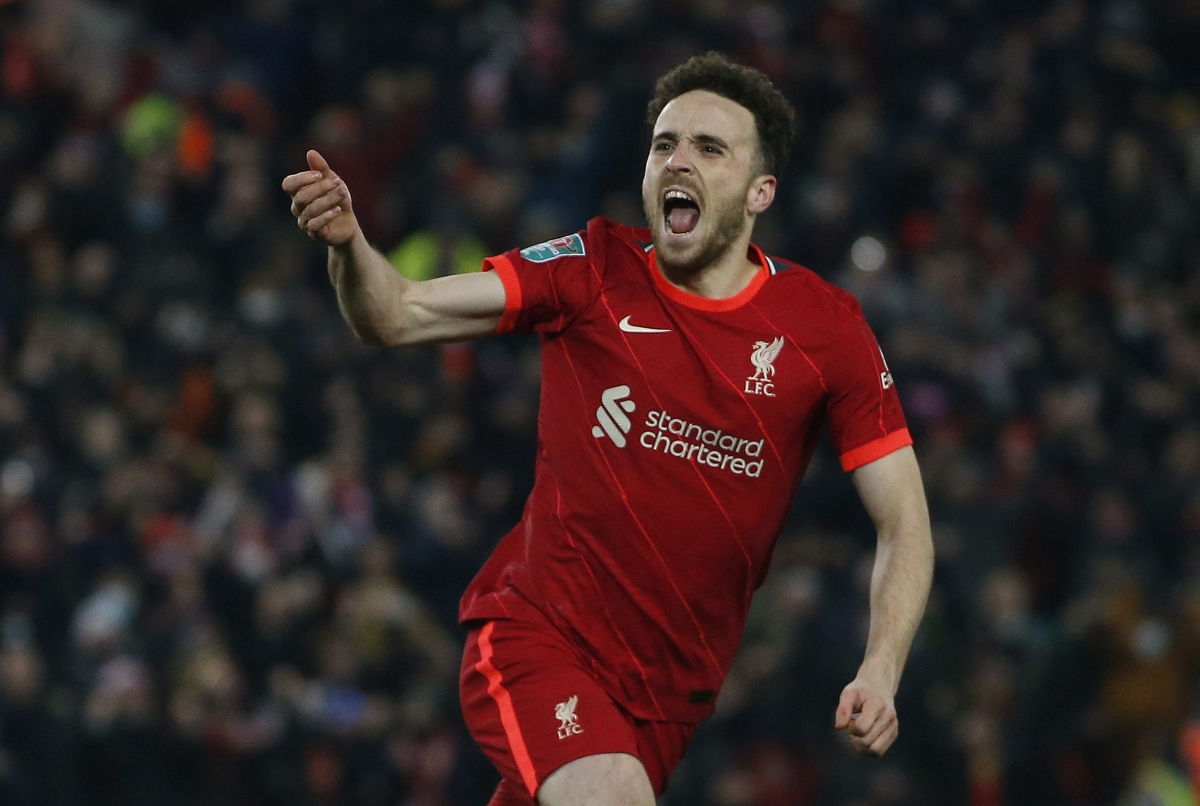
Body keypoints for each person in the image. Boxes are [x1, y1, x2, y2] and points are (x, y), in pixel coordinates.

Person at [283, 52, 934, 806]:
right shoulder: (590, 268)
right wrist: (349, 246)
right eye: (665, 145)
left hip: (667, 702)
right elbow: (397, 314)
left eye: (709, 148)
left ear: (761, 191)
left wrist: (881, 669)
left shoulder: (825, 330)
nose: (678, 161)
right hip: (539, 639)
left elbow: (905, 522)